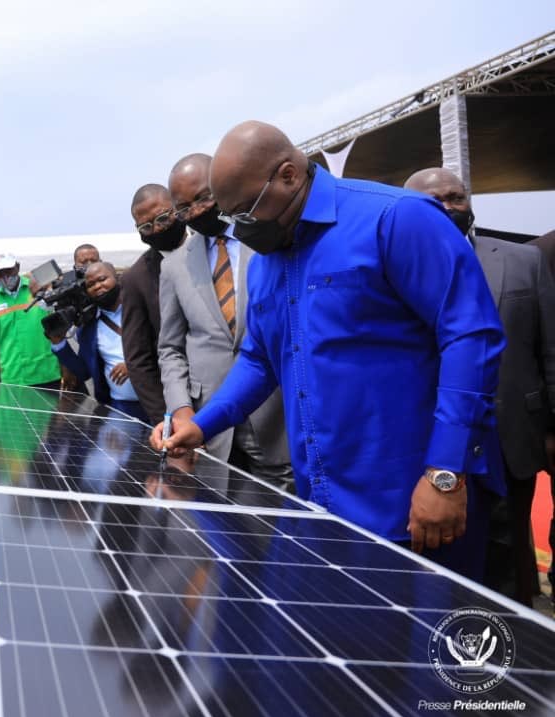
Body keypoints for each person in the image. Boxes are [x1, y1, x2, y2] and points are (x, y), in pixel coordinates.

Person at [152, 121, 505, 581]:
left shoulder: (396, 219)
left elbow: (470, 338)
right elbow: (260, 358)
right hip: (323, 503)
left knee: (433, 646)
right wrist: (201, 426)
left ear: (288, 175)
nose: (241, 227)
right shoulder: (266, 258)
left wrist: (446, 473)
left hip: (416, 503)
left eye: (247, 211)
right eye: (231, 215)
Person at [406, 167, 555, 604]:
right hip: (434, 445)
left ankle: (519, 653)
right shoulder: (398, 270)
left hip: (513, 438)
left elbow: (550, 349)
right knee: (445, 562)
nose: (450, 207)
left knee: (512, 560)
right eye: (436, 201)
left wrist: (552, 429)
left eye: (457, 197)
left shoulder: (522, 260)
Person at [161, 153, 292, 488]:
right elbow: (170, 349)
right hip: (210, 426)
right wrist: (180, 409)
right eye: (184, 208)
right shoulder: (175, 266)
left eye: (204, 197)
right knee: (224, 527)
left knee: (289, 524)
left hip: (278, 416)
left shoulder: (272, 242)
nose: (196, 211)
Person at [48, 261, 147, 422]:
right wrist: (59, 344)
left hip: (158, 402)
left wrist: (134, 365)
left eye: (102, 279)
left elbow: (168, 350)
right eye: (91, 284)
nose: (98, 286)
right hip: (121, 408)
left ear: (117, 278)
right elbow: (84, 372)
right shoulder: (88, 328)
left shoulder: (142, 309)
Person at [122, 184, 176, 426]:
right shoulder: (137, 278)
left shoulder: (214, 249)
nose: (156, 229)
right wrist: (164, 418)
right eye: (145, 226)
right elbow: (138, 358)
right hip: (183, 406)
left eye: (163, 218)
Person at [0, 253, 61, 389]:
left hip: (47, 375)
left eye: (8, 270)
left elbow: (60, 332)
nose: (5, 276)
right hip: (13, 379)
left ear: (17, 267)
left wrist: (67, 369)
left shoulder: (39, 288)